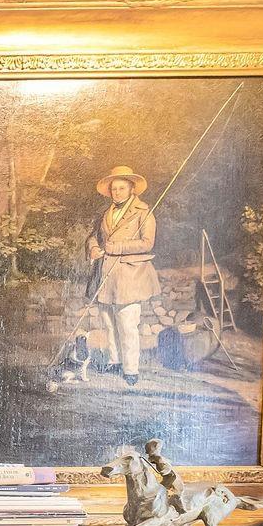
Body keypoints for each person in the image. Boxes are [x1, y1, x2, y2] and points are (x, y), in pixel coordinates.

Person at [86, 166, 162, 388]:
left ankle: (130, 370)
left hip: (130, 276)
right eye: (114, 188)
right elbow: (93, 236)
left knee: (127, 324)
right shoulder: (105, 214)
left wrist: (114, 247)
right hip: (105, 276)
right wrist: (93, 249)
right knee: (108, 322)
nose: (117, 192)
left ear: (131, 189)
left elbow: (147, 243)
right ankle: (114, 361)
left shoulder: (144, 212)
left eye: (121, 188)